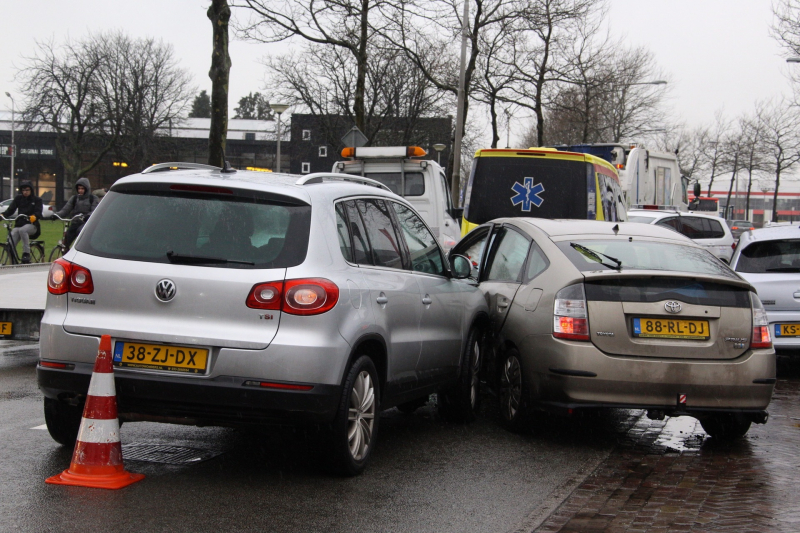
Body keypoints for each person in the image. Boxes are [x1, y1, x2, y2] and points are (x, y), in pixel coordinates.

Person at [1, 180, 43, 263]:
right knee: (13, 234)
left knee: (22, 230)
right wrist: (2, 215)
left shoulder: (37, 200)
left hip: (32, 225)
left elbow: (39, 213)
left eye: (27, 190)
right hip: (20, 224)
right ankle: (11, 255)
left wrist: (33, 216)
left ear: (31, 190)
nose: (25, 192)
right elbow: (10, 210)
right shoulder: (18, 199)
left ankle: (26, 254)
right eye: (23, 190)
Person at [56, 178, 100, 250]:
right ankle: (66, 252)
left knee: (80, 234)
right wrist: (56, 215)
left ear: (87, 189)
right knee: (67, 238)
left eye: (82, 188)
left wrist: (87, 216)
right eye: (79, 188)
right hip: (75, 222)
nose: (80, 190)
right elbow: (66, 209)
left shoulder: (93, 198)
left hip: (85, 224)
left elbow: (94, 211)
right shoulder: (74, 198)